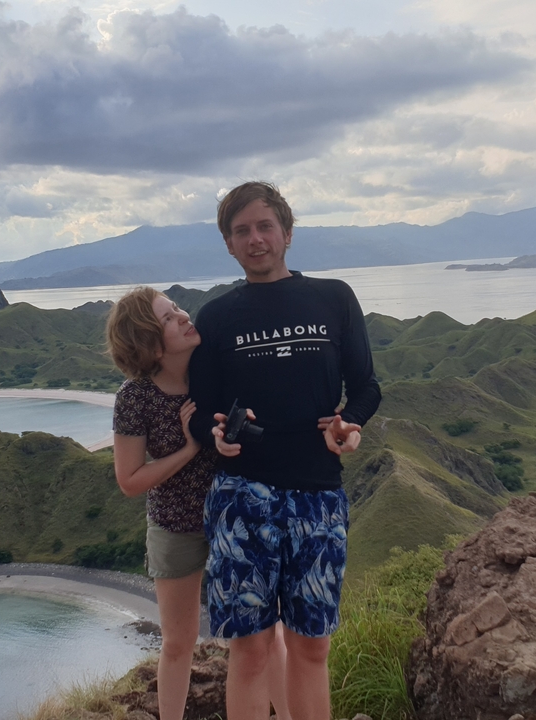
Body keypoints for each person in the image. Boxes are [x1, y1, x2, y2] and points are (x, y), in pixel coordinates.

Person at [188, 182, 381, 720]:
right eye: (241, 230)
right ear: (229, 244)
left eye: (264, 226)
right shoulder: (217, 317)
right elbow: (201, 412)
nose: (255, 239)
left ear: (287, 233)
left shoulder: (334, 297)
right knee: (248, 650)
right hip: (242, 498)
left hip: (318, 495)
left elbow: (366, 387)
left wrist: (351, 425)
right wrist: (215, 434)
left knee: (312, 646)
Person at [105, 287, 294, 720]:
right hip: (176, 523)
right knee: (178, 640)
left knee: (266, 633)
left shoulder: (218, 371)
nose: (184, 316)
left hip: (237, 517)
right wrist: (190, 448)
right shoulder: (135, 397)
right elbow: (129, 480)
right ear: (150, 343)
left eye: (176, 308)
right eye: (169, 318)